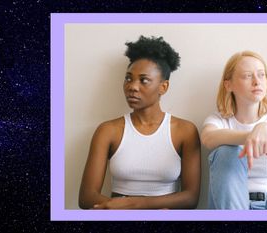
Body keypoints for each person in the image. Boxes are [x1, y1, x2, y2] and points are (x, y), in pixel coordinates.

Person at [79, 36, 201, 209]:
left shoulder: (185, 131)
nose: (133, 87)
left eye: (144, 80)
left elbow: (191, 198)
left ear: (163, 87)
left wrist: (134, 204)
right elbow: (86, 197)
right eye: (128, 78)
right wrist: (126, 209)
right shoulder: (108, 130)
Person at [201, 51, 267, 210]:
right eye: (247, 76)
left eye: (261, 75)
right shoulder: (219, 121)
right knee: (225, 152)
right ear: (228, 85)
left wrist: (266, 128)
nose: (257, 82)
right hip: (232, 205)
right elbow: (208, 138)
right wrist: (251, 137)